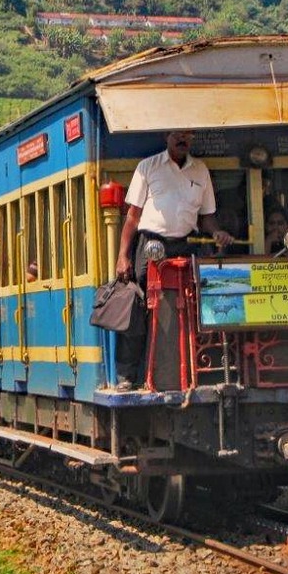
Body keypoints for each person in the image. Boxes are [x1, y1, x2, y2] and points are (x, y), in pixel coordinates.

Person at [114, 130, 233, 386]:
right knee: (139, 305)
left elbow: (207, 216)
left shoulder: (200, 170)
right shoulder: (148, 167)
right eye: (178, 135)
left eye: (188, 135)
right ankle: (129, 375)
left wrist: (217, 232)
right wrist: (122, 256)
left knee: (196, 304)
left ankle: (198, 369)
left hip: (187, 243)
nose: (183, 139)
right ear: (167, 137)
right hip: (151, 244)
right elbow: (132, 216)